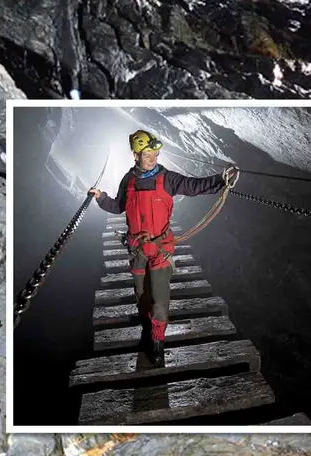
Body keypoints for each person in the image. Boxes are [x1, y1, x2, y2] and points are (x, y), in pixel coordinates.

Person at [88, 130, 238, 365]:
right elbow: (118, 206)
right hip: (137, 250)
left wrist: (220, 180)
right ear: (135, 155)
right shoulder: (128, 181)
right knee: (142, 295)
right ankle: (147, 325)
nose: (153, 158)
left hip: (160, 248)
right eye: (147, 154)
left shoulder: (166, 178)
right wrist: (100, 197)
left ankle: (157, 340)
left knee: (159, 297)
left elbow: (193, 186)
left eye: (155, 153)